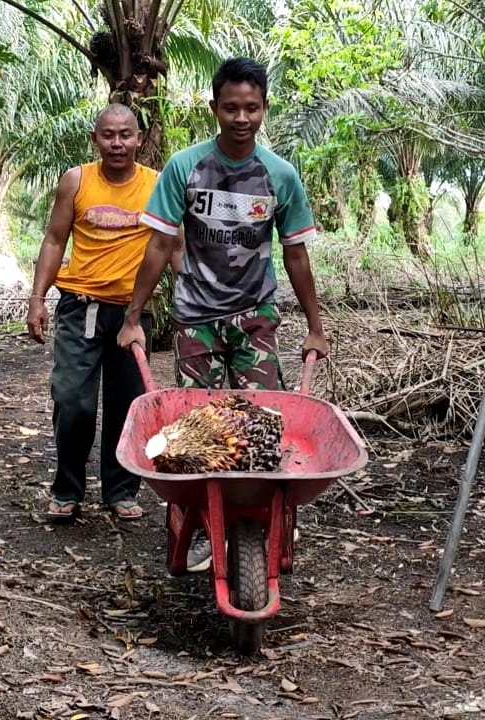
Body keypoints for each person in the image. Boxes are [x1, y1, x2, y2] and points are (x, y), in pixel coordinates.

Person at [116, 57, 329, 569]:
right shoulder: (186, 167)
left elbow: (296, 254)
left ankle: (267, 523)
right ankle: (201, 525)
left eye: (251, 108)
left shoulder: (280, 176)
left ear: (264, 109)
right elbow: (158, 244)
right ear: (214, 107)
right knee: (194, 428)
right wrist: (133, 316)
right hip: (196, 316)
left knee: (265, 420)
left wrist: (316, 328)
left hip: (255, 313)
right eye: (230, 107)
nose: (241, 118)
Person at [27, 103, 177, 523]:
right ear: (95, 139)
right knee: (72, 400)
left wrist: (190, 305)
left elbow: (174, 248)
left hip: (133, 311)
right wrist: (38, 298)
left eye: (125, 135)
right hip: (81, 309)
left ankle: (120, 490)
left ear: (139, 139)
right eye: (108, 135)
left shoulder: (159, 185)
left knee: (126, 404)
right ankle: (67, 489)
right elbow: (55, 240)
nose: (117, 143)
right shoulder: (76, 181)